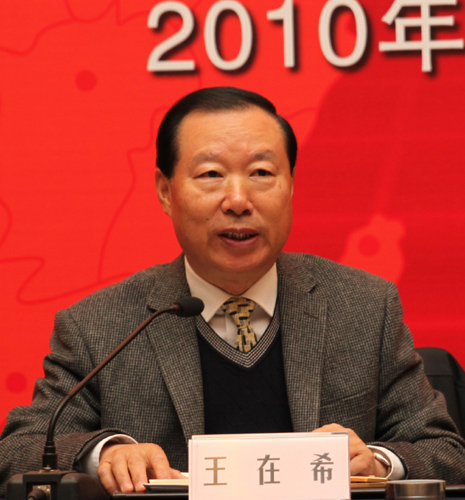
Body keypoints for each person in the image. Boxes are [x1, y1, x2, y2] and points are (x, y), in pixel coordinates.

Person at [1, 87, 464, 497]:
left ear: (290, 186)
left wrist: (378, 463)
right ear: (165, 191)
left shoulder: (363, 307)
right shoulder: (100, 325)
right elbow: (18, 450)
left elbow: (444, 450)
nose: (239, 200)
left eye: (261, 172)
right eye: (211, 174)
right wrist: (103, 452)